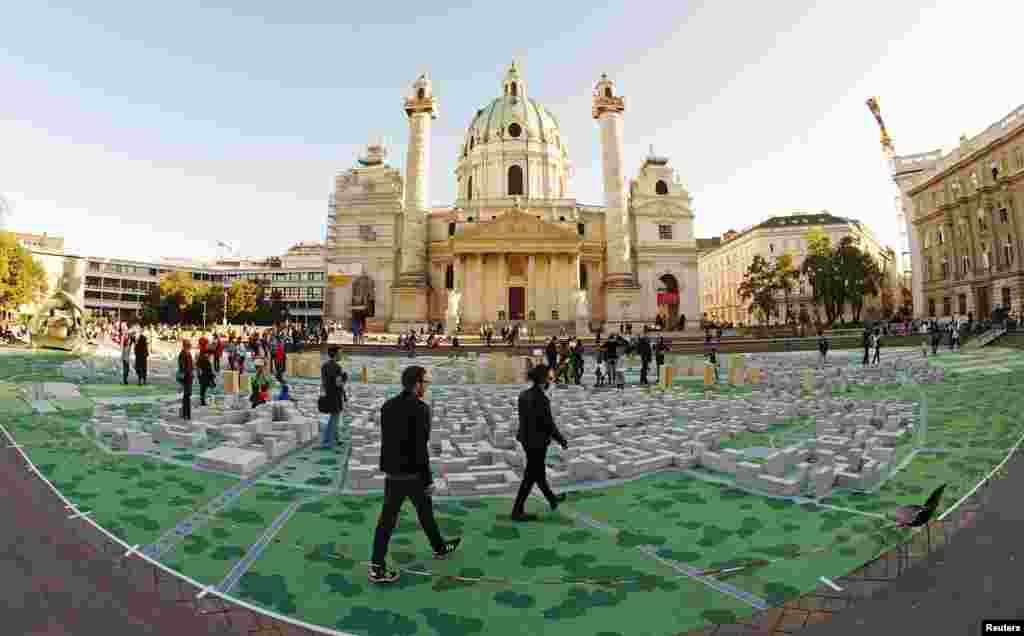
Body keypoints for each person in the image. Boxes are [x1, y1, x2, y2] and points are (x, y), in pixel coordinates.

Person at [369, 366, 462, 584]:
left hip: (393, 474)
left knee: (388, 521)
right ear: (417, 384)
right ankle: (439, 548)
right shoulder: (421, 409)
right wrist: (428, 480)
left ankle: (376, 566)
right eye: (425, 383)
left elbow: (388, 442)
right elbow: (420, 448)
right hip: (413, 475)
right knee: (424, 512)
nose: (427, 387)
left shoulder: (388, 406)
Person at [511, 364, 568, 521]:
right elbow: (548, 424)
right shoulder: (542, 399)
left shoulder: (523, 395)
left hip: (526, 440)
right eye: (549, 377)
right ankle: (517, 510)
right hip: (538, 442)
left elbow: (524, 420)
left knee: (538, 473)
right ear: (543, 379)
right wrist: (561, 440)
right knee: (531, 476)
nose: (550, 380)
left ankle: (552, 499)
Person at [320, 346, 346, 450]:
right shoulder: (337, 367)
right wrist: (344, 379)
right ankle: (329, 442)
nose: (341, 355)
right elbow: (338, 383)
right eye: (340, 353)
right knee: (335, 419)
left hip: (327, 394)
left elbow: (323, 382)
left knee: (332, 417)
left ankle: (332, 439)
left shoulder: (324, 366)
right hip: (336, 395)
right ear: (335, 354)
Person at [177, 340, 194, 420]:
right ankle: (186, 414)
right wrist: (181, 382)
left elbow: (190, 366)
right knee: (186, 396)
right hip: (186, 378)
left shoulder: (188, 353)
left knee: (187, 396)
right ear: (185, 346)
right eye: (188, 346)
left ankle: (187, 414)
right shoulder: (183, 354)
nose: (189, 348)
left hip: (189, 378)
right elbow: (182, 368)